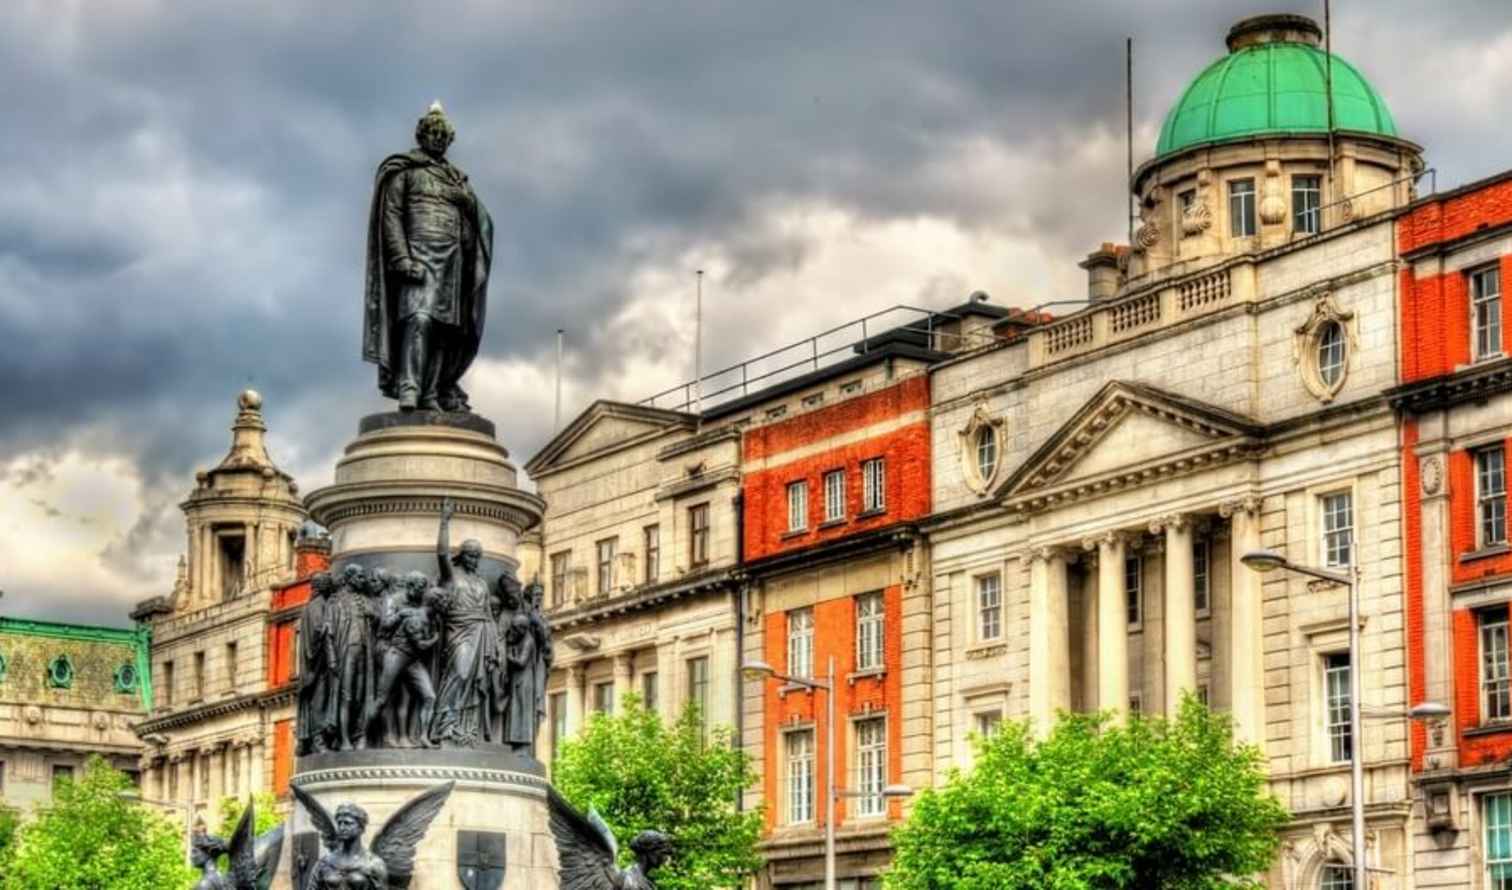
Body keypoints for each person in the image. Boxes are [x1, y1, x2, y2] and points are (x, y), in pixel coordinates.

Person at [363, 102, 493, 412]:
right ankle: (409, 386)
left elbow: (481, 220)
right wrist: (401, 258)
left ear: (449, 140)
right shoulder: (404, 170)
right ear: (421, 135)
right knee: (418, 319)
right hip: (418, 255)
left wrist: (468, 203)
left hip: (453, 261)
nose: (436, 138)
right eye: (431, 132)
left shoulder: (457, 179)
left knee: (447, 331)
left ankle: (432, 392)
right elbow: (391, 215)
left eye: (442, 135)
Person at [428, 497, 499, 745]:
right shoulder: (451, 576)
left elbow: (488, 612)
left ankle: (463, 726)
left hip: (481, 631)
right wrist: (444, 522)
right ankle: (442, 723)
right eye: (470, 555)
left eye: (477, 556)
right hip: (459, 630)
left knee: (472, 679)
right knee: (459, 672)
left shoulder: (480, 583)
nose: (474, 560)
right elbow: (441, 553)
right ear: (462, 556)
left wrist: (494, 643)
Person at [368, 579, 439, 748]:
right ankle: (363, 734)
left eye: (424, 588)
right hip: (395, 655)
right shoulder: (398, 603)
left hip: (412, 659)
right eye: (419, 588)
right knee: (382, 700)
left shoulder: (424, 610)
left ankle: (421, 737)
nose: (421, 592)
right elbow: (385, 627)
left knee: (427, 696)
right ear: (410, 586)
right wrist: (434, 638)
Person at [330, 564, 376, 751]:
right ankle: (344, 739)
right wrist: (332, 658)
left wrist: (374, 616)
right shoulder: (337, 602)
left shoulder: (365, 601)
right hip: (346, 650)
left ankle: (360, 735)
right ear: (349, 578)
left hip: (365, 652)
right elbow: (328, 633)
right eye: (359, 577)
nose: (363, 580)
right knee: (346, 696)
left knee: (361, 696)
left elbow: (378, 619)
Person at [295, 572, 338, 755]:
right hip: (317, 665)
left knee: (320, 701)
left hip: (315, 664)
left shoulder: (313, 606)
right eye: (329, 585)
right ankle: (318, 740)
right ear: (324, 587)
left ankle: (317, 739)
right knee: (319, 701)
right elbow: (317, 633)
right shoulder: (317, 606)